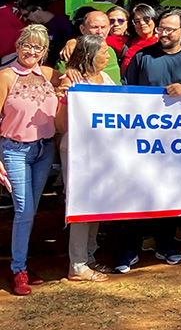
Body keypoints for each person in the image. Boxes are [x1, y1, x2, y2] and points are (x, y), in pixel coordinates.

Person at [117, 9, 181, 272]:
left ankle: (165, 243)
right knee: (137, 191)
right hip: (144, 140)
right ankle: (130, 248)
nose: (162, 33)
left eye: (168, 29)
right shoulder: (142, 56)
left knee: (170, 192)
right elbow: (125, 93)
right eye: (160, 28)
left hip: (179, 142)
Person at [0, 25, 61, 295]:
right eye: (27, 44)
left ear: (44, 52)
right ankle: (18, 269)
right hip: (14, 149)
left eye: (38, 47)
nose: (31, 51)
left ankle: (22, 262)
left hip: (44, 149)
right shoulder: (5, 76)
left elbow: (78, 79)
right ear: (17, 46)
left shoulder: (49, 74)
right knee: (24, 211)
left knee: (30, 211)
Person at [55, 35, 113, 283]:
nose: (109, 56)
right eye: (104, 51)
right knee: (81, 205)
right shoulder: (72, 79)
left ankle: (89, 257)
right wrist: (64, 97)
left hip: (103, 150)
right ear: (89, 55)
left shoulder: (106, 78)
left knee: (97, 203)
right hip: (78, 150)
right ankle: (77, 264)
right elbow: (59, 124)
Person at [57, 10, 121, 84]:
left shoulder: (111, 51)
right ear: (82, 29)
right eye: (95, 27)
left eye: (103, 27)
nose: (99, 32)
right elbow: (60, 80)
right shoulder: (71, 51)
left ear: (109, 29)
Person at [17, 0, 73, 66]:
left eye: (26, 15)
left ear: (38, 9)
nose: (25, 19)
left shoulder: (62, 24)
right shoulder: (32, 27)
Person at [119, 4, 158, 71]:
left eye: (146, 19)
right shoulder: (125, 42)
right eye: (137, 21)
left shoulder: (163, 43)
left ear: (154, 20)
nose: (142, 23)